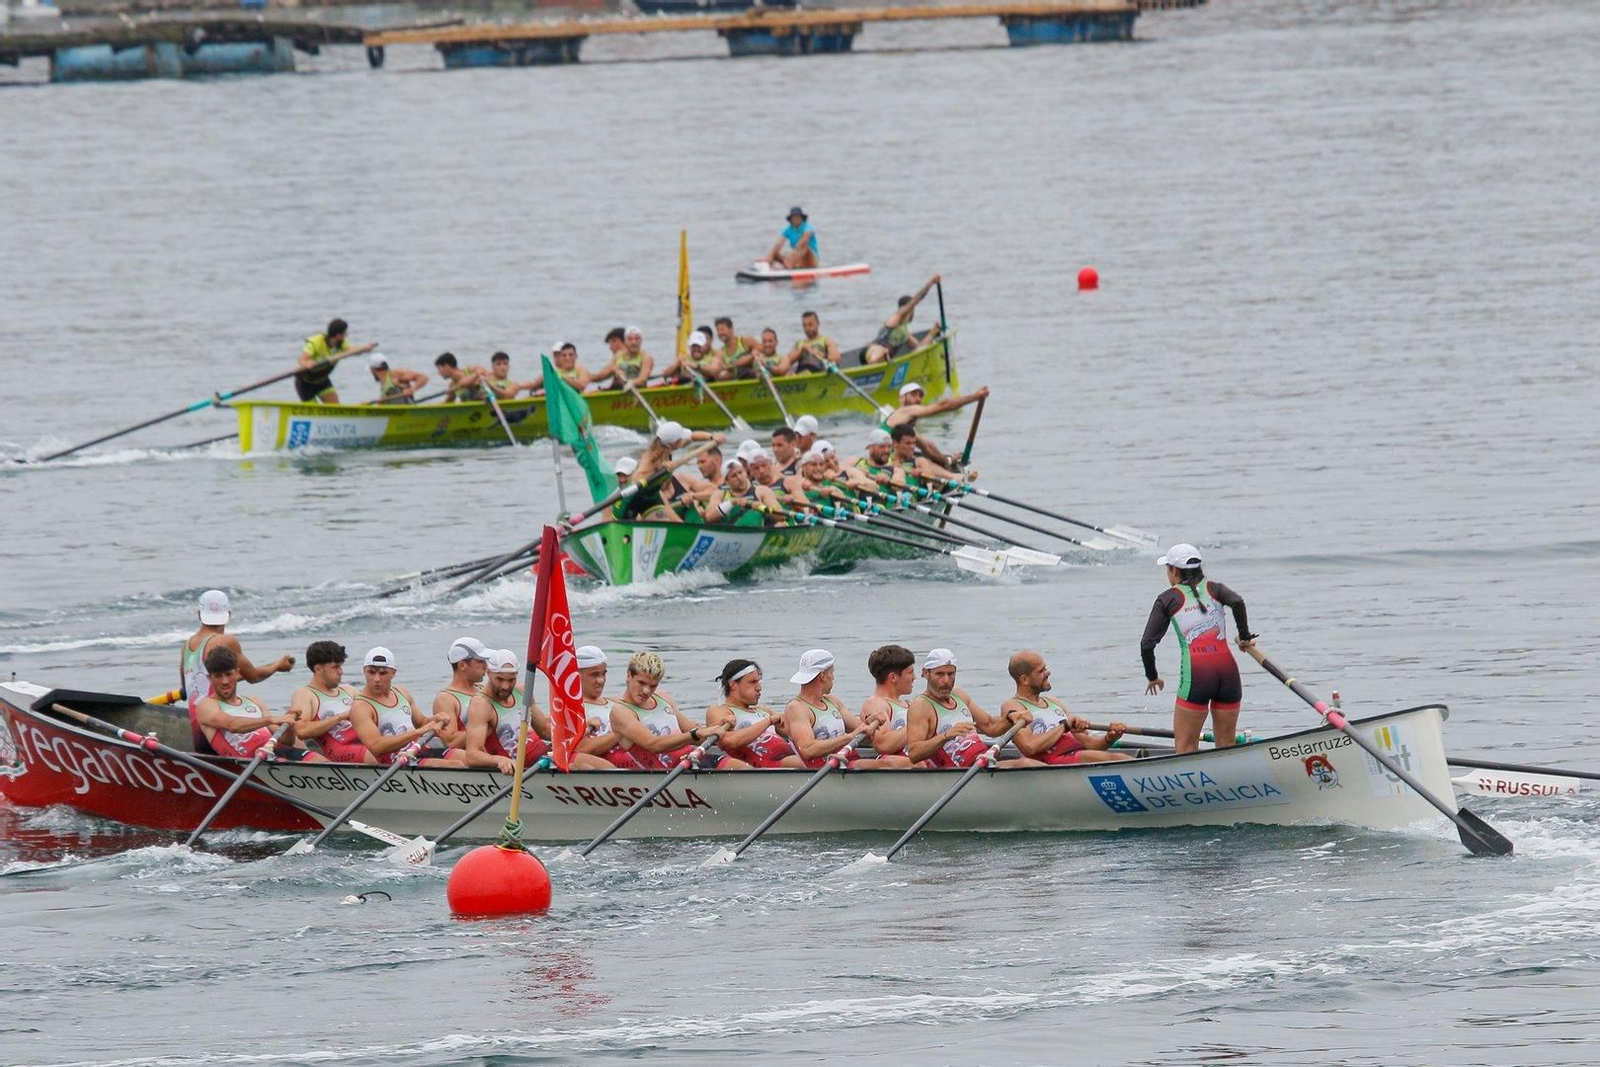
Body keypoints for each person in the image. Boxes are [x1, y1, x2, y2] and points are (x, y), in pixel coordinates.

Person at [1140, 544, 1256, 754]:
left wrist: (1152, 676)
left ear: (1174, 571)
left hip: (1198, 675)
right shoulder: (1216, 589)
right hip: (1228, 672)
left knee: (1185, 747)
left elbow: (1147, 644)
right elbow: (1238, 602)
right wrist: (1245, 637)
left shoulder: (1168, 598)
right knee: (1227, 746)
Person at [608, 652, 749, 770]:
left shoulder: (663, 698)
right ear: (629, 675)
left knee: (744, 769)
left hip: (693, 760)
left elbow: (693, 731)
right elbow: (653, 744)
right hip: (671, 773)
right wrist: (695, 733)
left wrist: (715, 727)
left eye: (653, 686)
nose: (646, 691)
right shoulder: (621, 711)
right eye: (641, 683)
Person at [905, 649, 1041, 768]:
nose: (946, 680)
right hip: (960, 773)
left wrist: (1011, 718)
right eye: (939, 674)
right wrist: (946, 736)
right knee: (1025, 764)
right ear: (925, 673)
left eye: (951, 674)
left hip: (982, 762)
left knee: (1030, 761)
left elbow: (990, 726)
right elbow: (914, 753)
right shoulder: (921, 706)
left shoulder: (958, 695)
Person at [180, 590, 295, 727]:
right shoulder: (226, 641)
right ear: (228, 614)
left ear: (199, 614)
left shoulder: (186, 646)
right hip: (219, 726)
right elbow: (254, 677)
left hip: (197, 726)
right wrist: (277, 666)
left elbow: (192, 686)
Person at [782, 650, 910, 769]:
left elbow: (862, 732)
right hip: (826, 768)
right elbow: (808, 749)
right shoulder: (797, 708)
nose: (833, 677)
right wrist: (850, 736)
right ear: (822, 676)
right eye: (832, 672)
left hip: (846, 761)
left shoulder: (831, 700)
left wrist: (870, 722)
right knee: (892, 763)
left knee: (911, 761)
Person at [192, 646, 322, 761]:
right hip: (251, 761)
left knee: (320, 761)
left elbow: (287, 741)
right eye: (218, 676)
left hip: (275, 751)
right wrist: (271, 719)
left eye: (228, 674)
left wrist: (287, 725)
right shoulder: (206, 706)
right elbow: (232, 725)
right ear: (210, 678)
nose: (225, 681)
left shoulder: (254, 701)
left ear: (237, 673)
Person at [1001, 651, 1133, 764]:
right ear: (1024, 680)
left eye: (1045, 668)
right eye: (1041, 671)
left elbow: (1089, 744)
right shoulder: (1013, 706)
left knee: (1118, 758)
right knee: (1117, 758)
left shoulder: (1053, 701)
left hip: (1074, 753)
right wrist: (1064, 726)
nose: (1048, 673)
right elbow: (1029, 747)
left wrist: (1110, 738)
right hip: (1049, 761)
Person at [345, 647, 455, 765]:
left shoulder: (402, 693)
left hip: (418, 751)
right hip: (395, 761)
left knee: (464, 758)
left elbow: (422, 722)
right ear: (364, 671)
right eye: (371, 672)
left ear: (393, 673)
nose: (376, 679)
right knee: (456, 765)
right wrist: (419, 732)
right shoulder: (360, 707)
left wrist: (436, 718)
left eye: (383, 673)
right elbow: (376, 747)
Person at [705, 659, 804, 768]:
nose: (759, 688)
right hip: (766, 764)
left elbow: (793, 732)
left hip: (789, 755)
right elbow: (729, 741)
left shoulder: (764, 710)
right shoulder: (720, 711)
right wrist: (769, 721)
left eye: (758, 682)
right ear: (733, 685)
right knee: (804, 762)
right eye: (752, 682)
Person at [616, 421, 723, 522]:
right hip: (632, 498)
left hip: (652, 498)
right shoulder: (649, 456)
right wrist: (661, 466)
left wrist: (712, 437)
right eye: (681, 438)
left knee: (666, 525)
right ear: (675, 442)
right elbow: (637, 477)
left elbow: (693, 436)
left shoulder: (669, 445)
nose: (683, 439)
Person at [884, 382, 990, 469]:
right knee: (924, 462)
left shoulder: (907, 430)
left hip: (892, 460)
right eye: (913, 394)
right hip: (884, 461)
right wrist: (975, 397)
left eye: (920, 396)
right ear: (902, 398)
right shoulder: (904, 411)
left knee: (928, 458)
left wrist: (949, 460)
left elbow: (928, 448)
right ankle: (954, 478)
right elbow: (943, 405)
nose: (918, 399)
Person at [286, 641, 362, 760]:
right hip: (341, 751)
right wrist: (341, 717)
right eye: (335, 667)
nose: (341, 671)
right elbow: (301, 730)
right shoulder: (305, 694)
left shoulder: (349, 690)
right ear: (318, 669)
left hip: (366, 742)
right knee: (379, 752)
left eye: (340, 666)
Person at [857, 643, 922, 763]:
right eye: (910, 672)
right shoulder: (876, 704)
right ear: (893, 678)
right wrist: (920, 724)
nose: (914, 677)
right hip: (901, 764)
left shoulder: (909, 704)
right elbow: (883, 744)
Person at [863, 275, 944, 364]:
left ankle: (880, 360)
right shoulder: (896, 318)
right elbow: (917, 299)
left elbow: (919, 348)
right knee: (881, 350)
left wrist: (933, 332)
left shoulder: (904, 334)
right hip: (871, 351)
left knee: (888, 352)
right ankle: (874, 361)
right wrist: (931, 282)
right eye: (911, 308)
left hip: (884, 360)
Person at [295, 318, 376, 404]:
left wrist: (364, 349)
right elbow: (302, 359)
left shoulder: (341, 344)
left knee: (335, 407)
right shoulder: (316, 342)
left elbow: (351, 351)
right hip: (305, 382)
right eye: (345, 333)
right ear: (338, 335)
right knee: (313, 411)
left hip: (322, 380)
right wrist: (307, 363)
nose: (346, 336)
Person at [430, 636, 491, 750]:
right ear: (462, 665)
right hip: (471, 759)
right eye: (481, 661)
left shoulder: (484, 690)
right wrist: (489, 726)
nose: (486, 666)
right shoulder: (446, 699)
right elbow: (451, 742)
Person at [704, 456, 783, 525]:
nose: (739, 477)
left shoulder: (761, 491)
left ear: (745, 472)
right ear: (727, 482)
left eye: (740, 472)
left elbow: (781, 516)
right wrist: (732, 503)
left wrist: (762, 508)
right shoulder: (719, 495)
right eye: (734, 476)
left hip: (756, 534)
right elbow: (709, 517)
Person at [890, 424, 963, 487]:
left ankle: (953, 476)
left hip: (913, 493)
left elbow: (936, 485)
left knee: (923, 461)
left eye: (914, 443)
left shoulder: (918, 461)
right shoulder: (886, 457)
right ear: (895, 443)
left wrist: (921, 473)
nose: (912, 447)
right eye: (908, 444)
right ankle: (953, 476)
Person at [594, 327, 653, 391]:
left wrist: (630, 383)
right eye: (630, 339)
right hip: (617, 389)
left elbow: (642, 379)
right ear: (625, 342)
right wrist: (589, 378)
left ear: (641, 341)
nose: (634, 343)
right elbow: (602, 375)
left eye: (636, 339)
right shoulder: (618, 356)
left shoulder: (646, 357)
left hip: (636, 390)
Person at [659, 331, 727, 385]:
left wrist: (696, 367)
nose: (696, 349)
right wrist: (676, 363)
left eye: (698, 346)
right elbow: (665, 374)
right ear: (689, 347)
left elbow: (714, 371)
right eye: (693, 346)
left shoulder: (712, 359)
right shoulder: (684, 360)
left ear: (705, 346)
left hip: (708, 388)